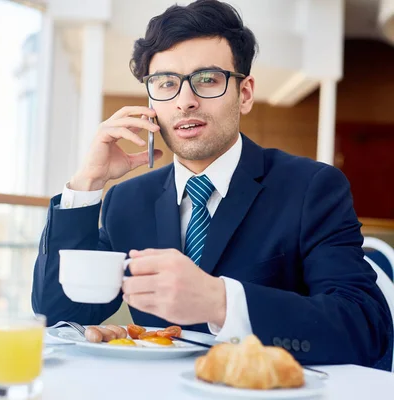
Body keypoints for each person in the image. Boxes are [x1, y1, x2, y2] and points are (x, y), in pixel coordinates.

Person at [31, 0, 393, 370]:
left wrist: (220, 301)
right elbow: (59, 311)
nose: (185, 101)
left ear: (245, 93)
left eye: (207, 80)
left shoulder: (312, 188)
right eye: (166, 84)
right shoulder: (128, 200)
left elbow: (365, 328)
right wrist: (87, 182)